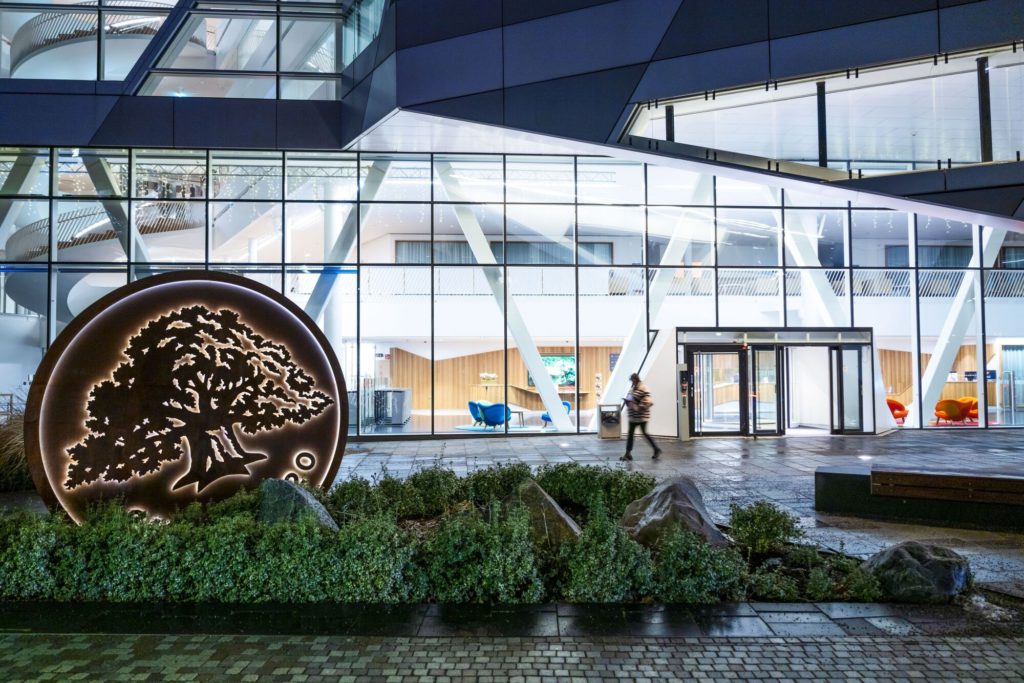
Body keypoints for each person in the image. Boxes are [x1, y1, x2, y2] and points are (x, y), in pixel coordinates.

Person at [621, 372, 661, 461]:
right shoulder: (632, 389)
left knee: (644, 433)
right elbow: (630, 399)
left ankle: (656, 449)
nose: (632, 383)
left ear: (636, 380)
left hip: (641, 416)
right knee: (631, 434)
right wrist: (627, 402)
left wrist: (636, 405)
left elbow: (647, 401)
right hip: (633, 416)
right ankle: (628, 453)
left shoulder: (643, 388)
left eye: (633, 381)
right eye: (631, 381)